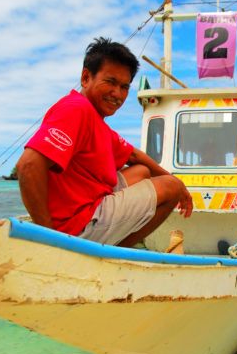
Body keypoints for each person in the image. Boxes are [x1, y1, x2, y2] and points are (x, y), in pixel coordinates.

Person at [16, 37, 193, 247]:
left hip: (89, 202)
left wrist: (183, 187)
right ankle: (116, 253)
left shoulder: (95, 120)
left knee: (142, 171)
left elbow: (134, 155)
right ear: (85, 77)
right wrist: (49, 238)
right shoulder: (76, 109)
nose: (117, 94)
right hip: (75, 225)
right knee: (169, 187)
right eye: (110, 82)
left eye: (124, 87)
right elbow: (28, 166)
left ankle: (112, 244)